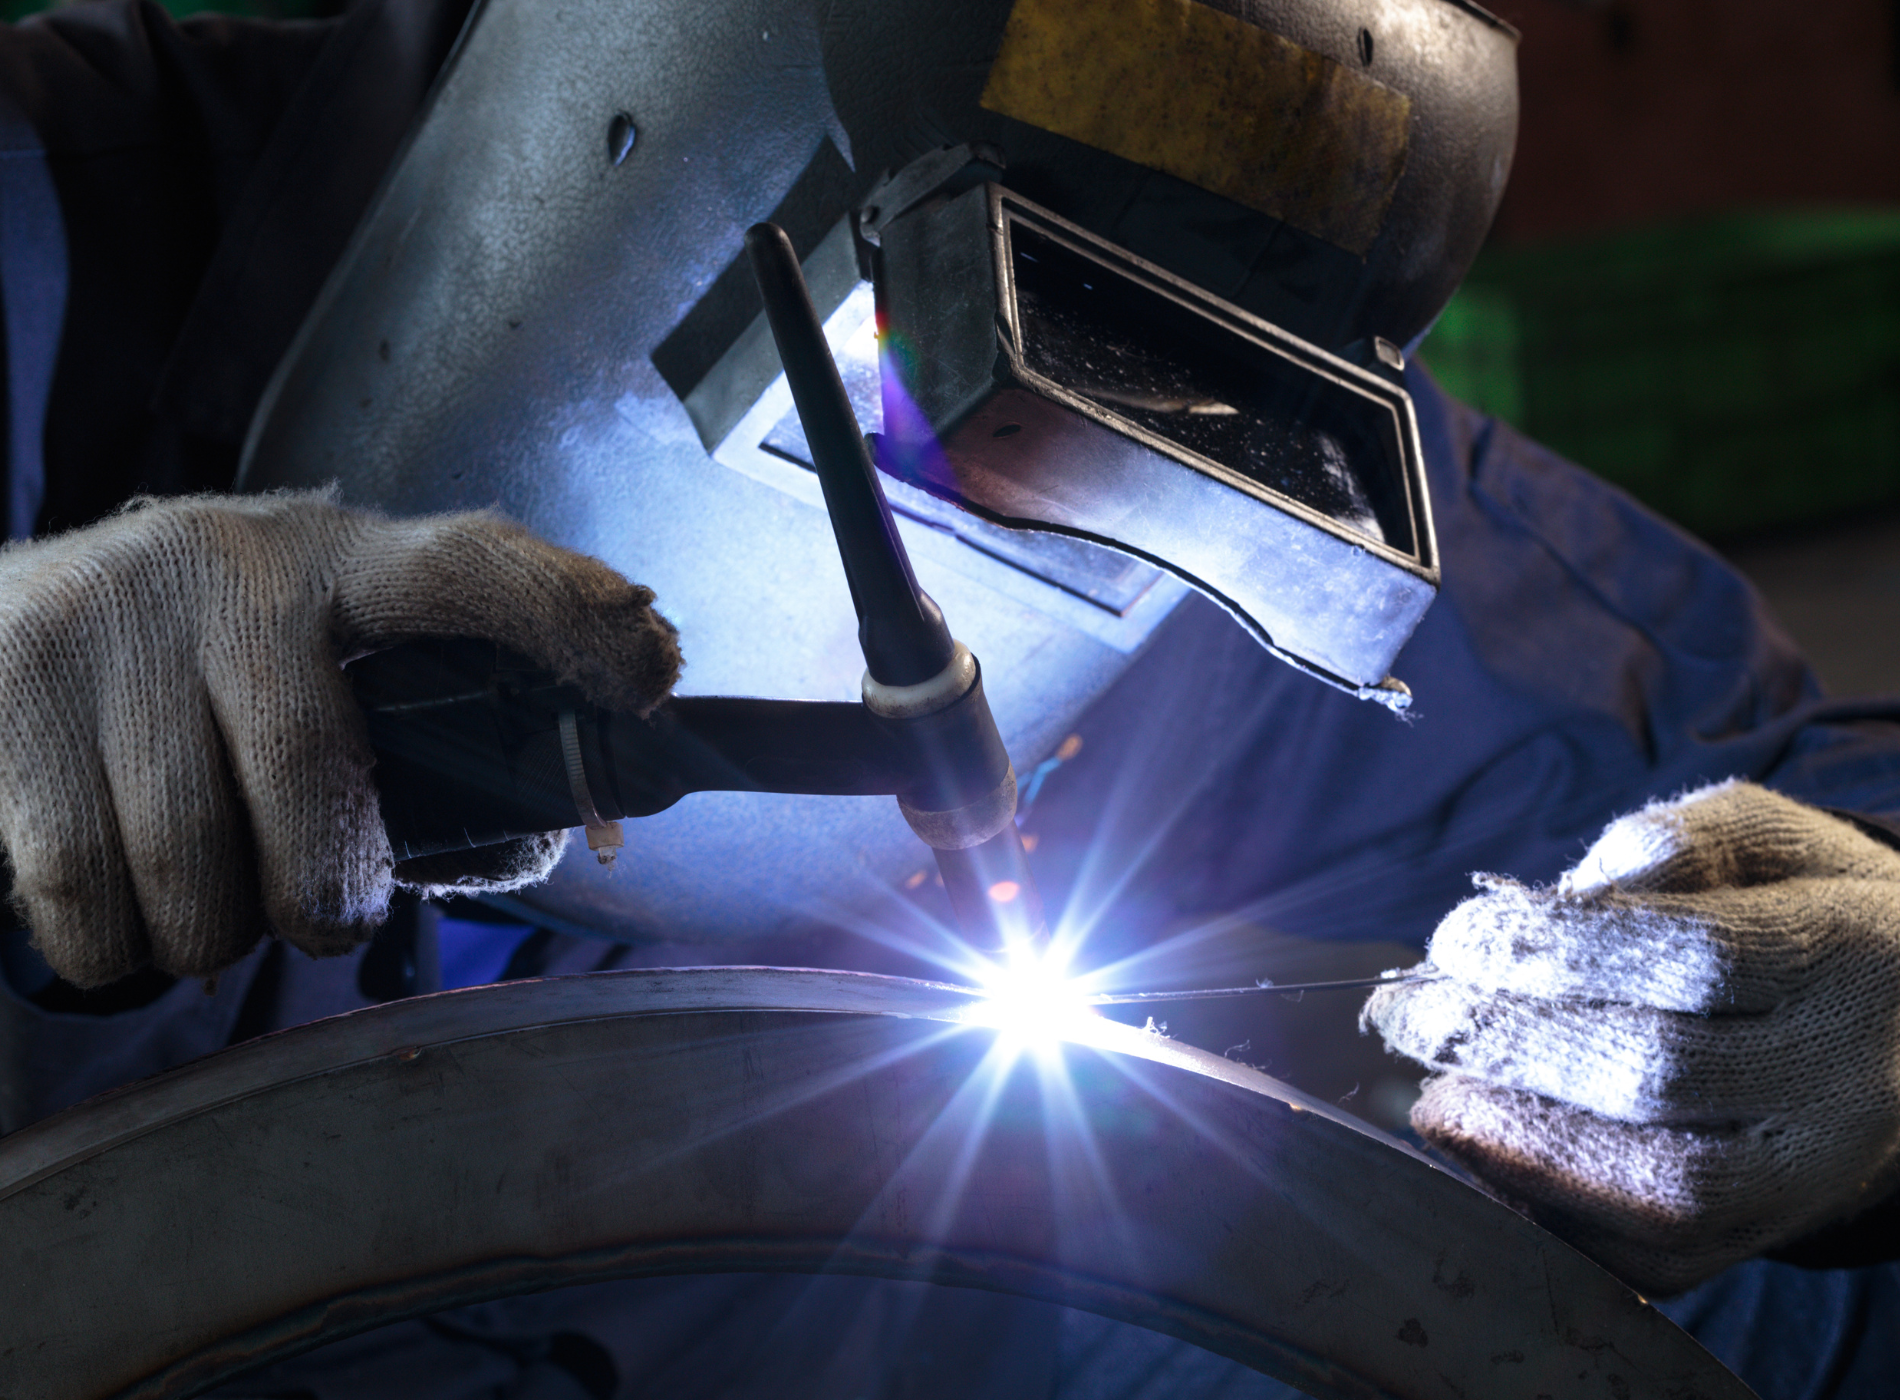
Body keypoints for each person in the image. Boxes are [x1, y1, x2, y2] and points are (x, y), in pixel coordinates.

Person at [0, 0, 1896, 1396]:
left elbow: (1799, 886)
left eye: (1132, 439)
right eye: (911, 390)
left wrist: (1871, 1043)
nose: (1017, 520)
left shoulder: (1317, 533)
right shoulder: (46, 234)